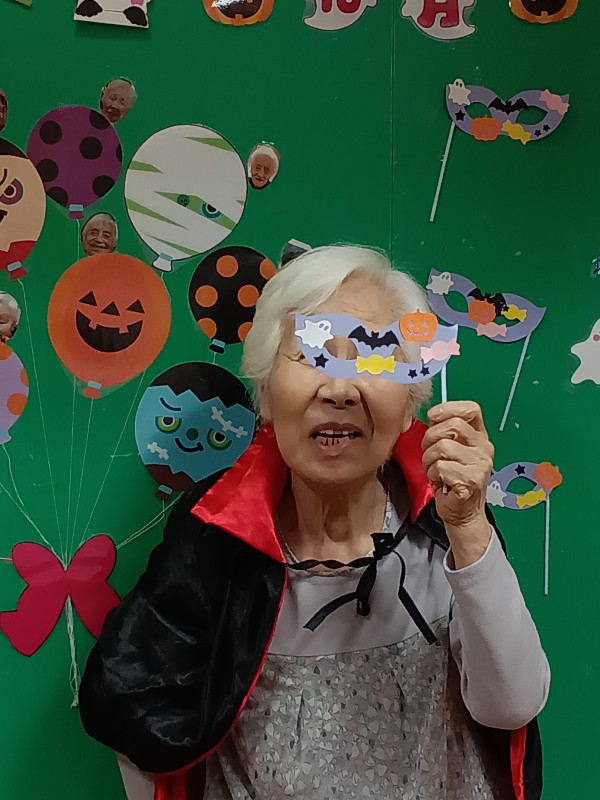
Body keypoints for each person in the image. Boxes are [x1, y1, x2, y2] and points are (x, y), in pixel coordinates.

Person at [80, 245, 549, 800]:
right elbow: (129, 709)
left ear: (410, 403)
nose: (339, 389)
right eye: (311, 354)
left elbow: (512, 706)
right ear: (265, 393)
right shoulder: (215, 536)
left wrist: (468, 525)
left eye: (373, 356)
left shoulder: (443, 520)